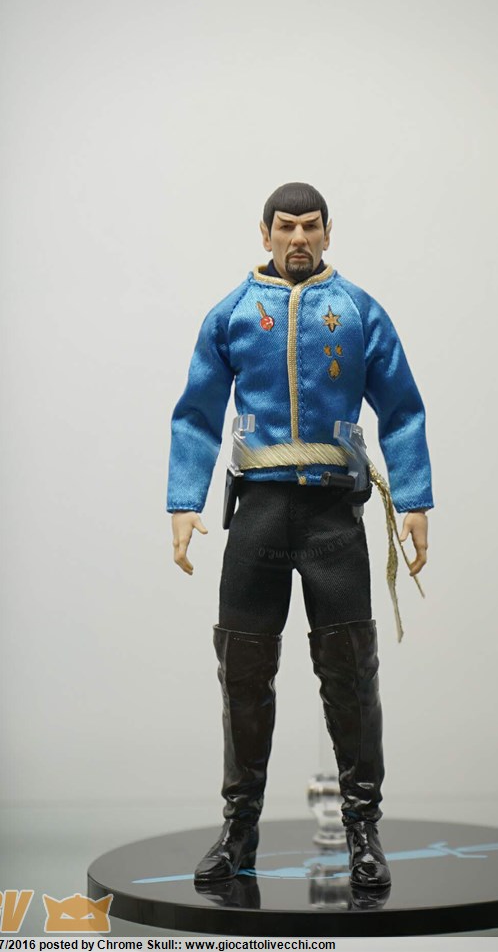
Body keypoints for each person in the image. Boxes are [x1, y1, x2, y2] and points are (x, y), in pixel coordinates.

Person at [167, 182, 433, 889]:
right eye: (285, 226)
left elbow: (402, 408)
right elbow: (196, 413)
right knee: (243, 674)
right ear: (264, 234)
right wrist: (183, 501)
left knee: (351, 672)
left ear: (327, 232)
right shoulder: (232, 314)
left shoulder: (357, 310)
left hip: (332, 518)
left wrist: (413, 498)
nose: (298, 239)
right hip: (257, 514)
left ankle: (363, 828)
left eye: (310, 226)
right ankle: (239, 827)